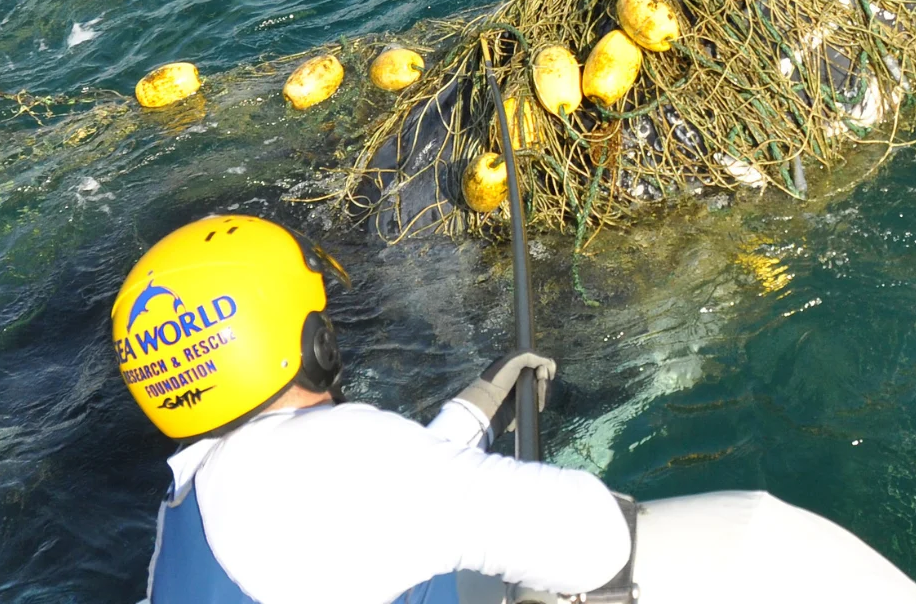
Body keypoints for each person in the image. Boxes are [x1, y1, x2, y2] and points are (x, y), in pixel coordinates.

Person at [111, 214, 630, 604]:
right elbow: (596, 540)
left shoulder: (186, 499)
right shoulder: (342, 453)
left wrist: (478, 412)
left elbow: (369, 514)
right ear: (318, 345)